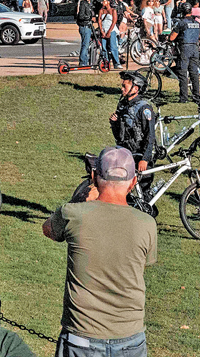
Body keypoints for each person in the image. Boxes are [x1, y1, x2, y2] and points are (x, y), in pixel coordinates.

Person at [43, 146, 156, 357]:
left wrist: (78, 200)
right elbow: (146, 262)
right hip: (130, 337)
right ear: (133, 182)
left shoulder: (72, 213)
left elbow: (48, 229)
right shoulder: (147, 224)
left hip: (81, 338)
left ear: (94, 177)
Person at [110, 71, 156, 195]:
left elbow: (150, 135)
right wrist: (114, 124)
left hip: (139, 156)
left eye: (124, 86)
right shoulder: (123, 105)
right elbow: (120, 136)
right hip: (125, 154)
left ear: (135, 89)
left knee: (143, 194)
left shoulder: (144, 108)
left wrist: (145, 159)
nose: (122, 89)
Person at [169, 1, 200, 103]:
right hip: (195, 48)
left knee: (182, 73)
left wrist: (168, 38)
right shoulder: (196, 23)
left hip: (184, 49)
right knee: (194, 73)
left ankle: (184, 98)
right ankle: (196, 96)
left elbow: (172, 37)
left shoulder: (181, 23)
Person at [98, 0, 121, 69]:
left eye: (104, 1)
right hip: (104, 31)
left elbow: (114, 21)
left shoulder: (113, 10)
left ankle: (116, 63)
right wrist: (102, 31)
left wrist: (109, 32)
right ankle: (106, 62)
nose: (102, 3)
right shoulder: (101, 11)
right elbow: (99, 21)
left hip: (111, 30)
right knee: (104, 47)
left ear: (108, 2)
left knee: (113, 47)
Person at [76, 0, 94, 66]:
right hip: (84, 26)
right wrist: (90, 18)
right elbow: (81, 16)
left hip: (88, 26)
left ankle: (85, 61)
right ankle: (82, 62)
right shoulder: (83, 3)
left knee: (86, 44)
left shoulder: (89, 4)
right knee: (85, 45)